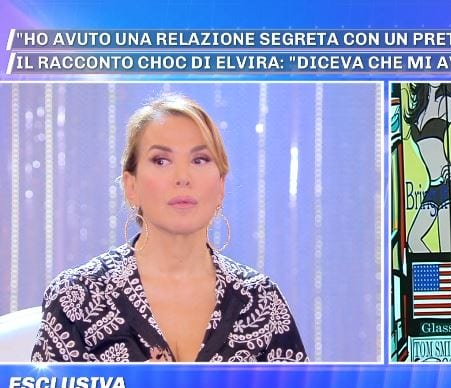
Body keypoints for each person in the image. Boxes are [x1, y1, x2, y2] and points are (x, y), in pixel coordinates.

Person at [31, 93, 308, 362]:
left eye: (199, 160)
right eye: (161, 161)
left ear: (221, 186)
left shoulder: (260, 300)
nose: (182, 177)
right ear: (131, 185)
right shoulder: (77, 297)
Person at [403, 83, 451, 252]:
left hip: (450, 183)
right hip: (433, 186)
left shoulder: (446, 103)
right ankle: (434, 271)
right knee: (413, 240)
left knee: (447, 246)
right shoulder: (418, 109)